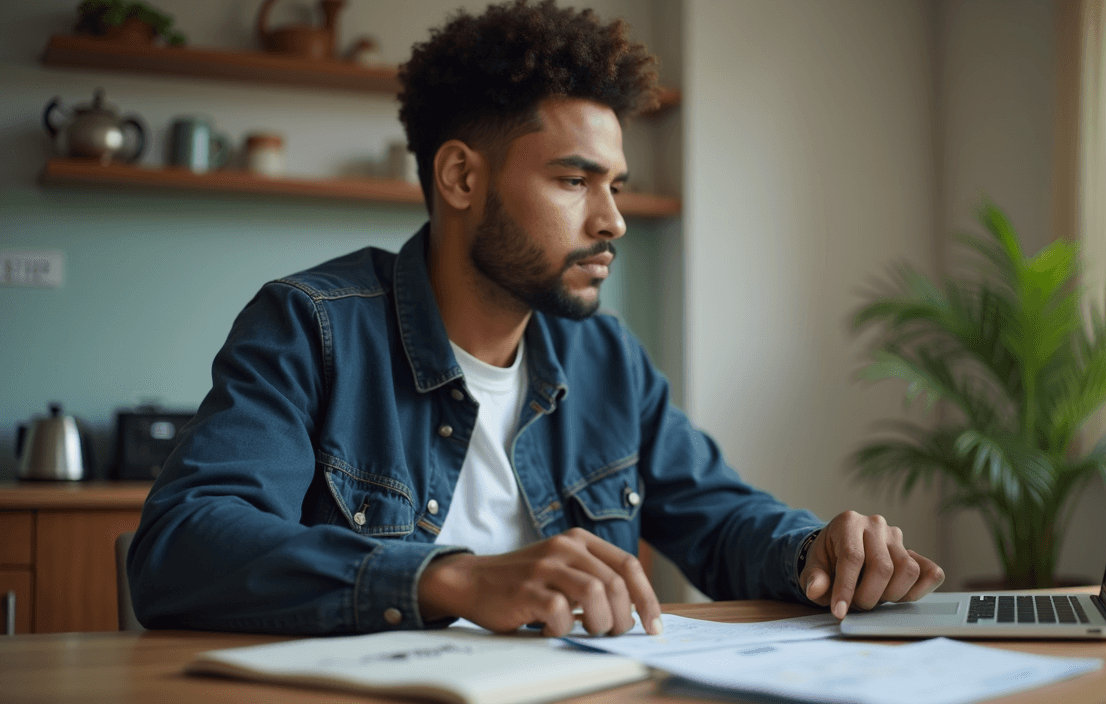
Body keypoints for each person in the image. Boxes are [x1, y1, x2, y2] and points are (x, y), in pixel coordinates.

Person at [128, 0, 944, 638]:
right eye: (573, 181)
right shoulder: (312, 327)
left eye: (616, 185)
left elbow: (723, 519)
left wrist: (815, 551)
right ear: (459, 177)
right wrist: (446, 577)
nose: (612, 221)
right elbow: (182, 547)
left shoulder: (604, 357)